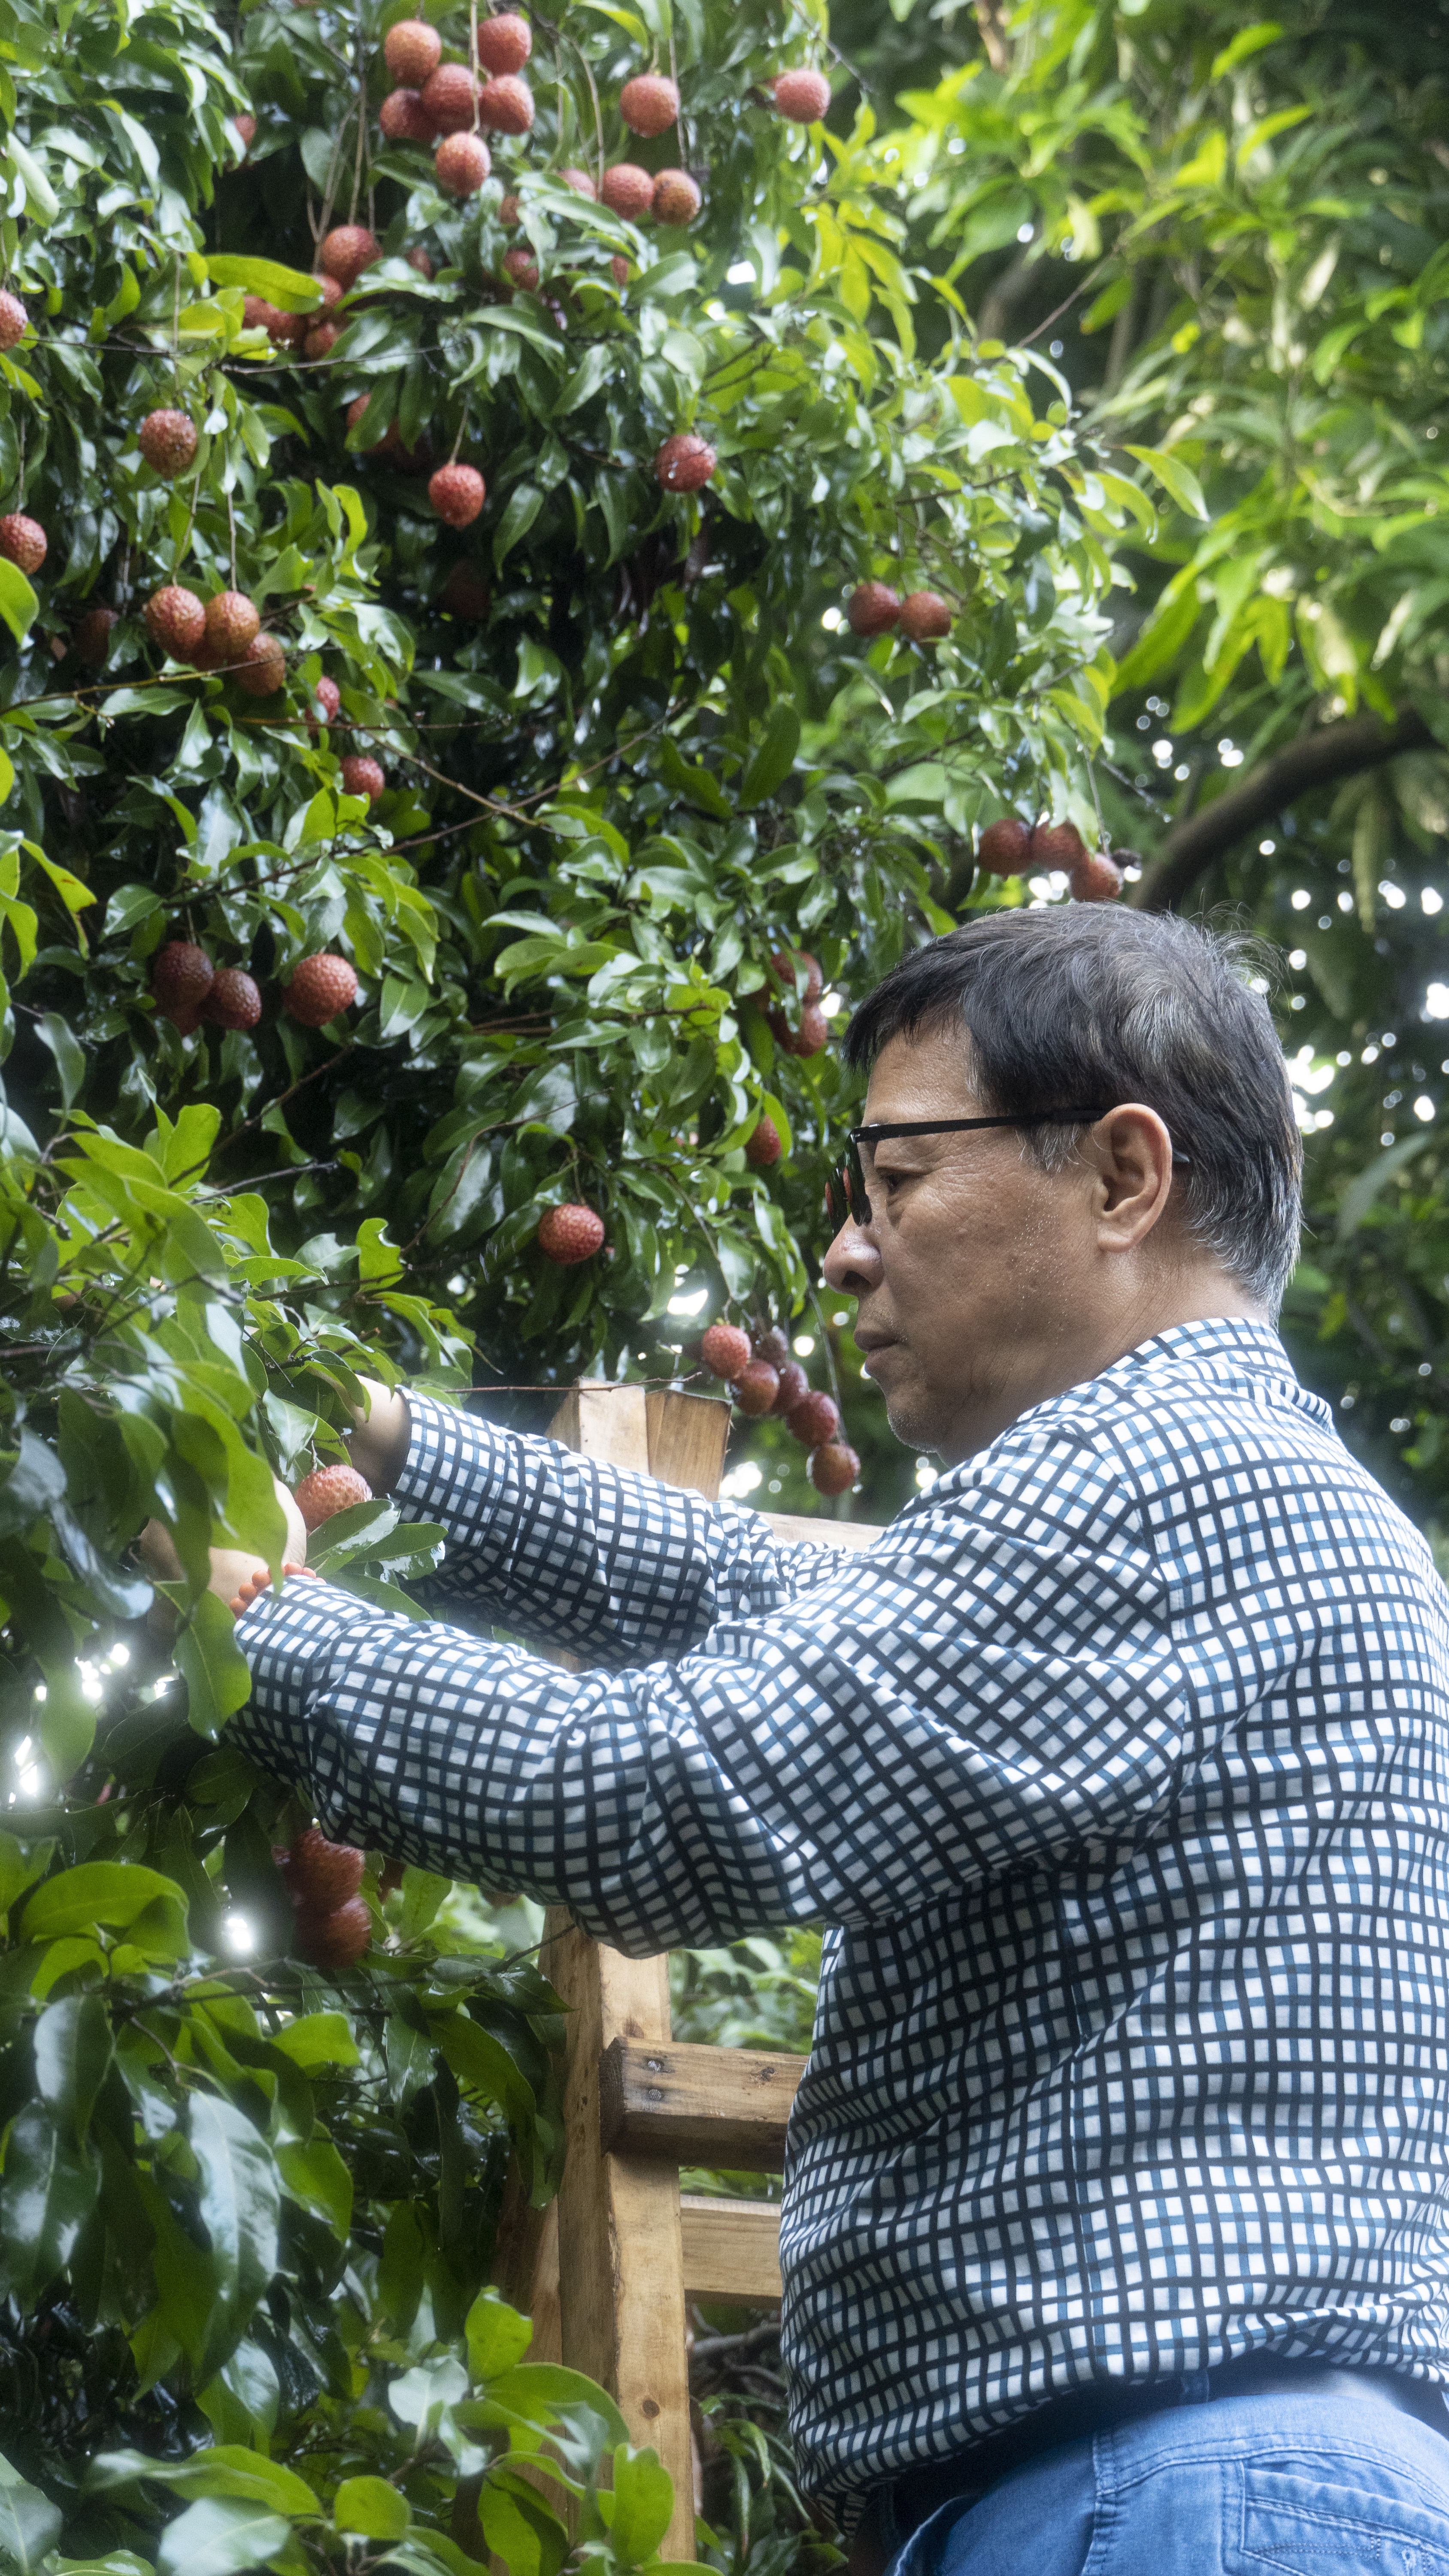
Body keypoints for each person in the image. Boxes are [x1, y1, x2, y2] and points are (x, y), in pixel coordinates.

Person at [150, 907, 1449, 2573]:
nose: (844, 1248)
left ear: (1124, 1178)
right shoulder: (1246, 1495)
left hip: (1172, 2494)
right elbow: (729, 1579)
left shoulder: (1149, 1487)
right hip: (1193, 2484)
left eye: (896, 1179)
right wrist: (381, 1439)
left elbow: (642, 1803)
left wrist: (254, 1622)